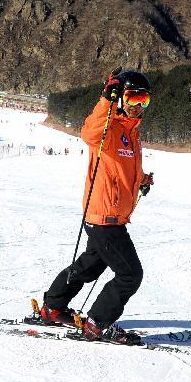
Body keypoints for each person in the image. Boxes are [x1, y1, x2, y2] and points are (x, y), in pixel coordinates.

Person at [38, 69, 155, 344]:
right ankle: (97, 324)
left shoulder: (132, 134)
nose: (139, 105)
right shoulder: (108, 128)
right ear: (121, 99)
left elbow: (121, 170)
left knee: (88, 268)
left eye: (145, 100)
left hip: (111, 216)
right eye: (134, 97)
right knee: (129, 275)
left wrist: (141, 180)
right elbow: (89, 132)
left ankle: (53, 307)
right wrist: (105, 100)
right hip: (105, 217)